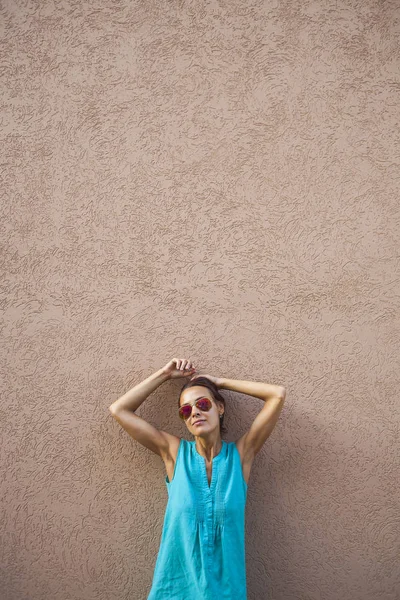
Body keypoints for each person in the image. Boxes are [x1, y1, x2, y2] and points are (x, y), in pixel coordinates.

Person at [109, 358, 286, 600]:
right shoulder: (174, 453)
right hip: (173, 593)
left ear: (220, 408)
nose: (195, 412)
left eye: (203, 404)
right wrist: (164, 374)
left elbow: (277, 394)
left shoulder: (240, 457)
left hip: (227, 594)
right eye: (186, 410)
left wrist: (220, 382)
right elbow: (119, 410)